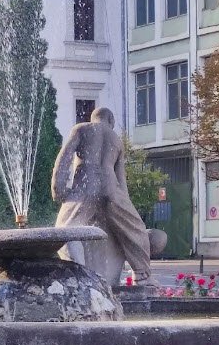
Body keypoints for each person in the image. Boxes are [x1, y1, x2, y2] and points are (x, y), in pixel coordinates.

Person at [52, 107, 157, 286]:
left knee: (64, 230)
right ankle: (141, 274)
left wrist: (58, 188)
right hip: (111, 188)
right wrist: (124, 206)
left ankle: (78, 273)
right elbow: (121, 179)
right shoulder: (116, 139)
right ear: (111, 121)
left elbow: (64, 158)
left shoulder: (81, 129)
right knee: (135, 229)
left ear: (94, 118)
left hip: (86, 186)